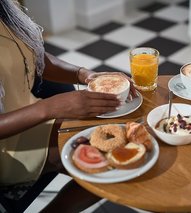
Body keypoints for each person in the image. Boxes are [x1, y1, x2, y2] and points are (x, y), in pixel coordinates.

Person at [0, 0, 136, 212]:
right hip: (7, 147)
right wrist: (50, 108)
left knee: (117, 141)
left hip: (31, 114)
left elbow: (34, 59)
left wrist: (84, 75)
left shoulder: (7, 7)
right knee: (109, 162)